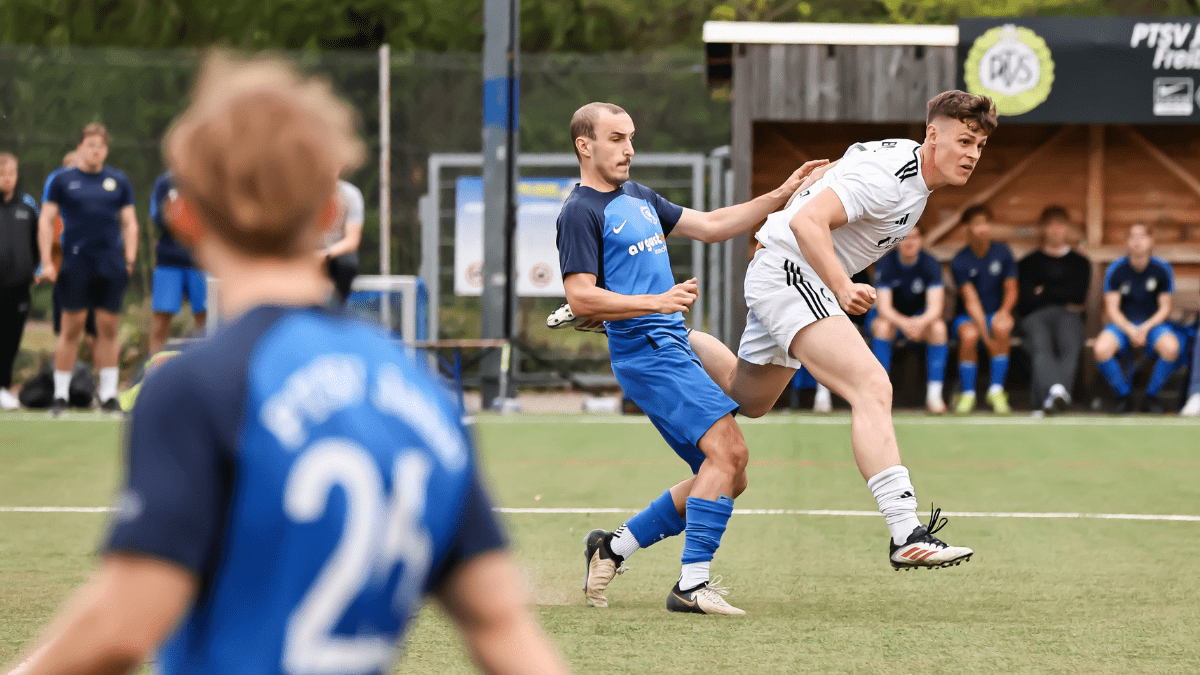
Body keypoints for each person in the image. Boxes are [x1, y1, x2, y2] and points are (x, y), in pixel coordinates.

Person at [5, 53, 569, 675]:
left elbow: (120, 627)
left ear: (182, 216)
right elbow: (503, 630)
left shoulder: (198, 386)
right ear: (330, 214)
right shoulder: (423, 391)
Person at [679, 90, 993, 570]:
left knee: (750, 400)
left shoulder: (906, 171)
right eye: (965, 140)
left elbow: (850, 160)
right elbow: (809, 222)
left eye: (980, 146)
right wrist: (842, 286)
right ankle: (906, 531)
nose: (972, 154)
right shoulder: (893, 178)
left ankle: (653, 327)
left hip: (783, 270)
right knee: (871, 385)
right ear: (933, 134)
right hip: (791, 270)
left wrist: (822, 181)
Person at [557, 101, 827, 615]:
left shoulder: (636, 196)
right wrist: (656, 302)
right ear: (584, 145)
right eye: (616, 138)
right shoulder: (580, 211)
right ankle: (691, 585)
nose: (629, 149)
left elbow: (710, 224)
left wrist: (780, 194)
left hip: (674, 340)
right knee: (729, 454)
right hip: (647, 350)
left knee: (728, 473)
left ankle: (612, 548)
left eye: (631, 137)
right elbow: (581, 298)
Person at [37, 124, 138, 414]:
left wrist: (129, 258)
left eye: (101, 146)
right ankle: (60, 396)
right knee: (72, 329)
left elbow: (130, 221)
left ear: (106, 150)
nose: (96, 150)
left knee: (108, 329)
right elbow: (46, 220)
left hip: (110, 263)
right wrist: (46, 260)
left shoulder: (118, 181)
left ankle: (108, 396)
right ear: (80, 146)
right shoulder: (61, 180)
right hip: (75, 262)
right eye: (90, 144)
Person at [1094, 223, 1183, 413]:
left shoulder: (1162, 268)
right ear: (1127, 242)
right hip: (1122, 325)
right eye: (1133, 237)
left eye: (1142, 236)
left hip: (1153, 325)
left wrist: (1145, 328)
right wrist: (1130, 329)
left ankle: (1151, 397)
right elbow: (1112, 308)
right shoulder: (1116, 269)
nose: (1137, 241)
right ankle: (1124, 396)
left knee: (1172, 347)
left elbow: (1165, 307)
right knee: (1101, 349)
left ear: (1151, 241)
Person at [1017, 206, 1091, 415]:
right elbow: (1025, 302)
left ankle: (1052, 397)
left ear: (1067, 228)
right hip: (1035, 317)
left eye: (1060, 224)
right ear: (1043, 229)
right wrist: (1060, 293)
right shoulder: (1028, 263)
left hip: (1068, 315)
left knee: (1070, 343)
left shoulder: (1080, 263)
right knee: (1040, 344)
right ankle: (1059, 392)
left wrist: (1042, 292)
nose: (1056, 230)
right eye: (1051, 225)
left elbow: (1078, 297)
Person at [867, 227, 949, 414]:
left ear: (921, 240)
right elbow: (884, 308)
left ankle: (934, 396)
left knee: (939, 329)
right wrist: (905, 324)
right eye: (904, 238)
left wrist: (918, 323)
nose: (909, 242)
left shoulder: (931, 264)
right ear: (897, 241)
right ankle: (880, 395)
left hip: (920, 318)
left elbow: (935, 308)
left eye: (914, 237)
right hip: (892, 319)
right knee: (882, 327)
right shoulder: (886, 264)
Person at [949, 205, 1017, 415]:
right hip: (968, 316)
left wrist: (1004, 312)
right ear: (967, 229)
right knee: (969, 336)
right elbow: (971, 302)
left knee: (1002, 326)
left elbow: (1012, 290)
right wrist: (986, 339)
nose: (983, 228)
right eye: (977, 224)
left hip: (995, 312)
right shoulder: (960, 260)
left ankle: (996, 391)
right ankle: (968, 394)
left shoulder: (1003, 252)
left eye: (986, 223)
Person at [148, 171, 206, 354]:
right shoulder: (165, 182)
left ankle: (206, 371)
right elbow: (157, 216)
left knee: (207, 321)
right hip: (169, 262)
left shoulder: (209, 178)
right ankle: (153, 371)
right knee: (161, 321)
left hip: (201, 263)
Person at [0, 152, 41, 410]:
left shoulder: (27, 205)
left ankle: (3, 387)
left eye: (11, 173)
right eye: (2, 173)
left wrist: (38, 267)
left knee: (11, 338)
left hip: (19, 286)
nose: (6, 178)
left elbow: (40, 239)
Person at [43, 152, 98, 342]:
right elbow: (52, 242)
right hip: (66, 276)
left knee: (94, 330)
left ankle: (95, 368)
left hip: (91, 274)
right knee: (65, 331)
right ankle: (67, 369)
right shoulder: (54, 209)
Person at [321, 179, 365, 305]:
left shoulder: (351, 194)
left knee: (347, 261)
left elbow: (352, 241)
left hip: (335, 256)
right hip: (306, 252)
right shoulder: (300, 193)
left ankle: (337, 306)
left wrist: (324, 255)